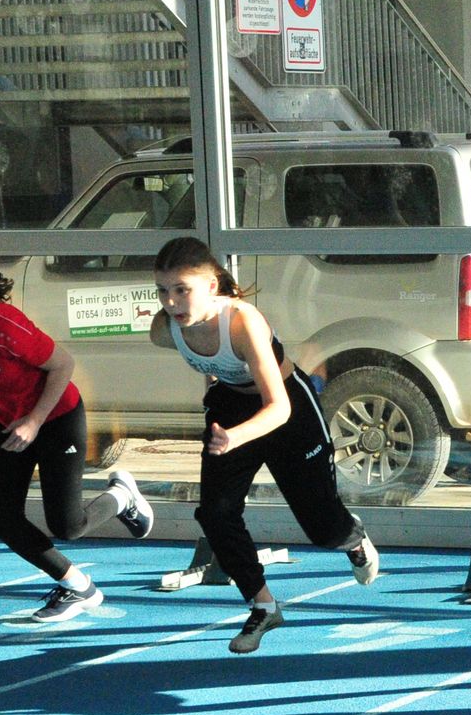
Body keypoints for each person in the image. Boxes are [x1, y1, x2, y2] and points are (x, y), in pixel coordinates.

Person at [148, 236, 381, 655]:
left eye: (182, 290)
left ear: (212, 287)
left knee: (324, 530)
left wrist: (235, 437)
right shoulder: (164, 328)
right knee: (215, 514)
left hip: (287, 410)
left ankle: (354, 539)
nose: (171, 302)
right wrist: (220, 411)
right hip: (231, 407)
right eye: (163, 291)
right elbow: (213, 366)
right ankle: (263, 605)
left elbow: (279, 408)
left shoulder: (243, 322)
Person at [0, 258, 154, 622]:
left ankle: (121, 497)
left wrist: (35, 420)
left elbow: (63, 364)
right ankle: (79, 586)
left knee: (68, 526)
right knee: (3, 519)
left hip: (57, 417)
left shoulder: (0, 323)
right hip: (10, 422)